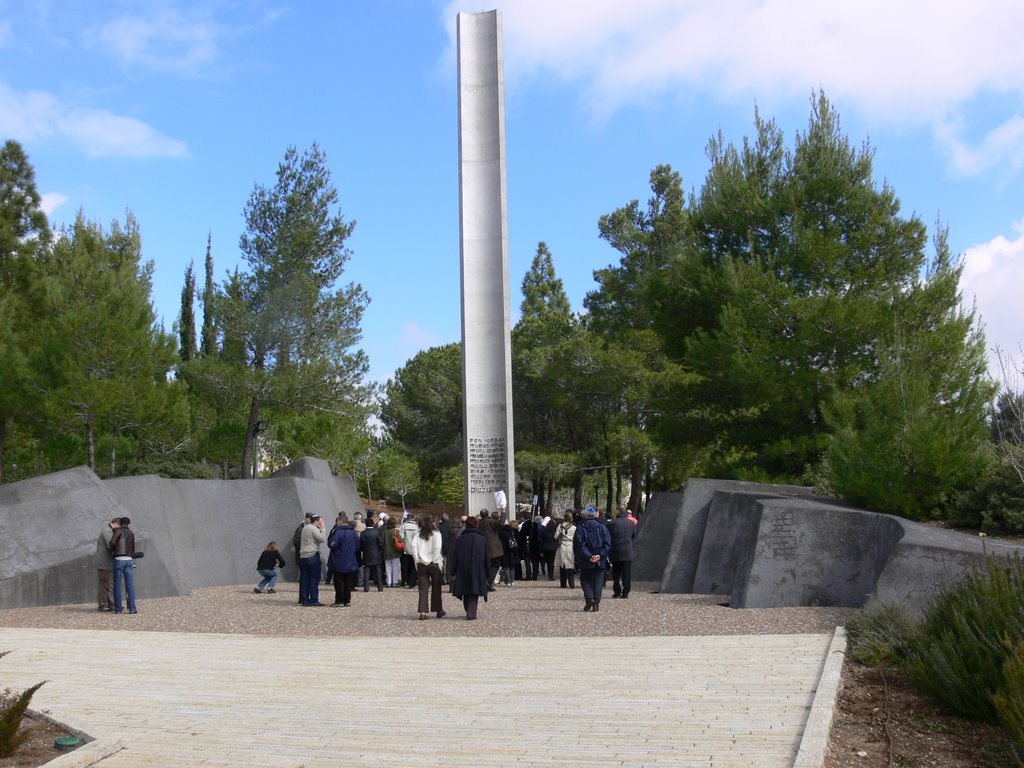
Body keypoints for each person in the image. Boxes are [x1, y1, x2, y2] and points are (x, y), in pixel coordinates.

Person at [574, 506, 611, 612]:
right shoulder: (603, 528)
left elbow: (580, 545)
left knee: (585, 579)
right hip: (599, 559)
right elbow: (607, 544)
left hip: (586, 559)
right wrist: (600, 555)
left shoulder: (581, 528)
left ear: (585, 515)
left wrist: (589, 556)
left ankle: (590, 598)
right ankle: (596, 602)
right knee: (598, 582)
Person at [451, 516, 489, 620]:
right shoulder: (481, 538)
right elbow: (486, 555)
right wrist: (487, 570)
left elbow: (455, 555)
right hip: (477, 566)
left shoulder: (460, 538)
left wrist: (453, 570)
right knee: (474, 589)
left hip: (463, 566)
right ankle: (471, 612)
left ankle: (469, 610)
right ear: (476, 525)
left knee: (466, 589)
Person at [413, 514, 445, 620]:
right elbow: (437, 547)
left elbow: (413, 546)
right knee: (436, 587)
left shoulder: (418, 533)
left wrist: (417, 559)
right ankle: (438, 610)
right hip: (434, 563)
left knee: (423, 588)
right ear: (433, 523)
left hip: (421, 563)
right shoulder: (436, 533)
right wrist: (434, 560)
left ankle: (423, 612)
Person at [327, 512, 360, 607]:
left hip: (339, 560)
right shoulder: (353, 532)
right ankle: (347, 600)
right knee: (348, 582)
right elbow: (358, 546)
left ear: (340, 521)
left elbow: (331, 544)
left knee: (338, 582)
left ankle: (339, 600)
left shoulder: (338, 532)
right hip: (350, 560)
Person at [608, 504, 637, 599]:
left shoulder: (612, 523)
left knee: (616, 573)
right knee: (626, 573)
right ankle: (626, 591)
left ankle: (617, 591)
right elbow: (633, 535)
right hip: (627, 550)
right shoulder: (631, 523)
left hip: (616, 550)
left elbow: (608, 537)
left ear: (617, 511)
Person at [109, 516, 137, 614]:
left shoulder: (118, 531)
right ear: (128, 524)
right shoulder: (131, 533)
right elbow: (133, 547)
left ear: (120, 523)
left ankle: (118, 609)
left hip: (119, 559)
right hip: (129, 560)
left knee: (117, 584)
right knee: (130, 585)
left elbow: (112, 542)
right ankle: (132, 608)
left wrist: (114, 550)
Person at [299, 514, 327, 606]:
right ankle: (314, 599)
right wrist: (322, 528)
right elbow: (322, 539)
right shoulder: (313, 528)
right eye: (320, 521)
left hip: (303, 556)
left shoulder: (305, 528)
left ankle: (304, 600)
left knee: (305, 578)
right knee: (314, 578)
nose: (321, 523)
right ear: (316, 521)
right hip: (312, 556)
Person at [95, 517, 120, 611]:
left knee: (106, 584)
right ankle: (105, 605)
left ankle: (109, 604)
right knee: (106, 584)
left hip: (106, 563)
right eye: (120, 526)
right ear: (116, 523)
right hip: (105, 563)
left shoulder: (108, 530)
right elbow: (111, 545)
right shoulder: (107, 531)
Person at [478, 509, 502, 588]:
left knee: (488, 566)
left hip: (485, 547)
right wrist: (504, 513)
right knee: (495, 565)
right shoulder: (490, 521)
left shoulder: (480, 524)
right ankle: (489, 581)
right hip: (494, 547)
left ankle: (487, 581)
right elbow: (501, 523)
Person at [359, 519, 385, 592]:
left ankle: (366, 588)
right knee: (378, 571)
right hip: (376, 554)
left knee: (366, 571)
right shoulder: (376, 532)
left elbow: (360, 545)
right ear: (373, 524)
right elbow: (381, 544)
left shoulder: (363, 533)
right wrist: (379, 550)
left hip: (366, 554)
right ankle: (380, 587)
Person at [554, 511, 577, 589]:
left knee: (562, 564)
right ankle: (571, 584)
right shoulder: (574, 528)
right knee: (570, 564)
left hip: (562, 545)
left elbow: (555, 536)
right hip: (570, 545)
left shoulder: (560, 526)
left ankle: (563, 584)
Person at [293, 512, 313, 602]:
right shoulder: (300, 529)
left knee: (308, 578)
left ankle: (307, 597)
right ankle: (303, 598)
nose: (311, 520)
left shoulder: (311, 528)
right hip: (302, 556)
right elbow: (296, 542)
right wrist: (306, 545)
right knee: (304, 578)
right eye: (309, 518)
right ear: (306, 519)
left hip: (309, 556)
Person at [399, 513, 420, 588]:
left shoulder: (403, 526)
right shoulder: (416, 527)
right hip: (413, 548)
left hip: (405, 548)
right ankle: (411, 581)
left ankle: (404, 580)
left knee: (404, 566)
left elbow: (400, 537)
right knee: (412, 566)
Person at [497, 517, 519, 587]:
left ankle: (508, 580)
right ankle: (512, 580)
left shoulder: (500, 531)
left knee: (505, 567)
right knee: (512, 567)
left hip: (504, 550)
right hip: (512, 550)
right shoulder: (512, 531)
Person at [382, 516, 402, 587]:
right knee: (395, 567)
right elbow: (401, 540)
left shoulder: (384, 532)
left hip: (386, 551)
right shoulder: (396, 531)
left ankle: (389, 582)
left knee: (388, 567)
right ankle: (395, 582)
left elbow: (382, 542)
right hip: (395, 551)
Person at [439, 512, 456, 584]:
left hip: (440, 546)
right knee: (448, 563)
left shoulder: (439, 527)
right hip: (449, 546)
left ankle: (442, 578)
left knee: (441, 563)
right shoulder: (450, 527)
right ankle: (448, 578)